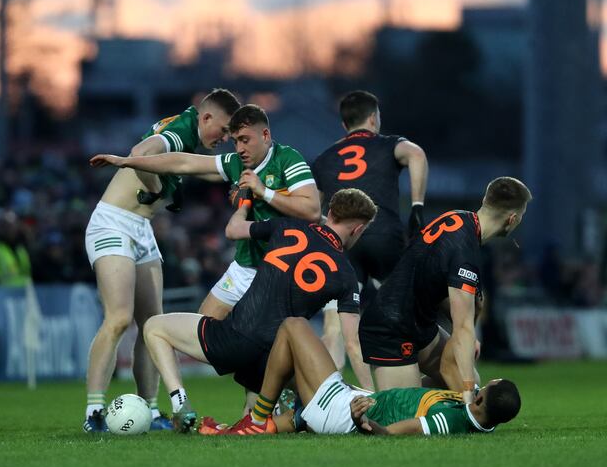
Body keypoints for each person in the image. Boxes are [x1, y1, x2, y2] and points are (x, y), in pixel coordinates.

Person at [138, 189, 376, 432]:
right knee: (284, 399)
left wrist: (243, 205)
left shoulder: (287, 227)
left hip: (233, 340)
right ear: (358, 229)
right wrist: (371, 392)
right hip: (274, 363)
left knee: (154, 327)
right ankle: (290, 412)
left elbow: (233, 230)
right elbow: (352, 344)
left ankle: (181, 403)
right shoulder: (347, 275)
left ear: (330, 213)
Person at [82, 88, 240, 432]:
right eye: (225, 130)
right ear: (206, 117)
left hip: (140, 229)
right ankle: (93, 412)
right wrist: (156, 189)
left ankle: (151, 411)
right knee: (119, 319)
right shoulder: (182, 131)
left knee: (153, 325)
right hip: (113, 222)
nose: (225, 139)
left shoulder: (189, 136)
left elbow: (205, 169)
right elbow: (140, 153)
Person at [90, 104, 321, 321]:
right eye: (235, 141)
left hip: (283, 267)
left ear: (265, 135)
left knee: (273, 342)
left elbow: (311, 210)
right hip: (244, 266)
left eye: (245, 140)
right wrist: (129, 161)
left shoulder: (288, 159)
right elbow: (182, 163)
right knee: (202, 333)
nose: (240, 148)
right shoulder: (235, 163)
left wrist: (263, 191)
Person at [359, 176, 532, 402]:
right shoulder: (465, 255)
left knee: (458, 387)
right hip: (390, 328)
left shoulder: (456, 217)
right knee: (404, 414)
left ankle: (404, 396)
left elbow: (431, 276)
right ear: (512, 219)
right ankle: (353, 403)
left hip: (419, 323)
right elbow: (462, 330)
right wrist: (468, 393)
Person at [210, 316, 520, 436]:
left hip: (345, 413)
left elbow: (393, 434)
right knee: (290, 394)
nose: (480, 382)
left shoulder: (449, 421)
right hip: (355, 399)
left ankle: (259, 415)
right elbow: (442, 374)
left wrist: (364, 422)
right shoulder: (468, 406)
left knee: (293, 327)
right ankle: (243, 429)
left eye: (485, 385)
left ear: (481, 398)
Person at [311, 91, 427, 386]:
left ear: (343, 124)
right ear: (373, 118)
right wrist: (417, 205)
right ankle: (421, 380)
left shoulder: (325, 159)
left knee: (335, 327)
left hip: (343, 245)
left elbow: (312, 211)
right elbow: (416, 154)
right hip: (384, 235)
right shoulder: (387, 144)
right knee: (408, 311)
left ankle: (328, 396)